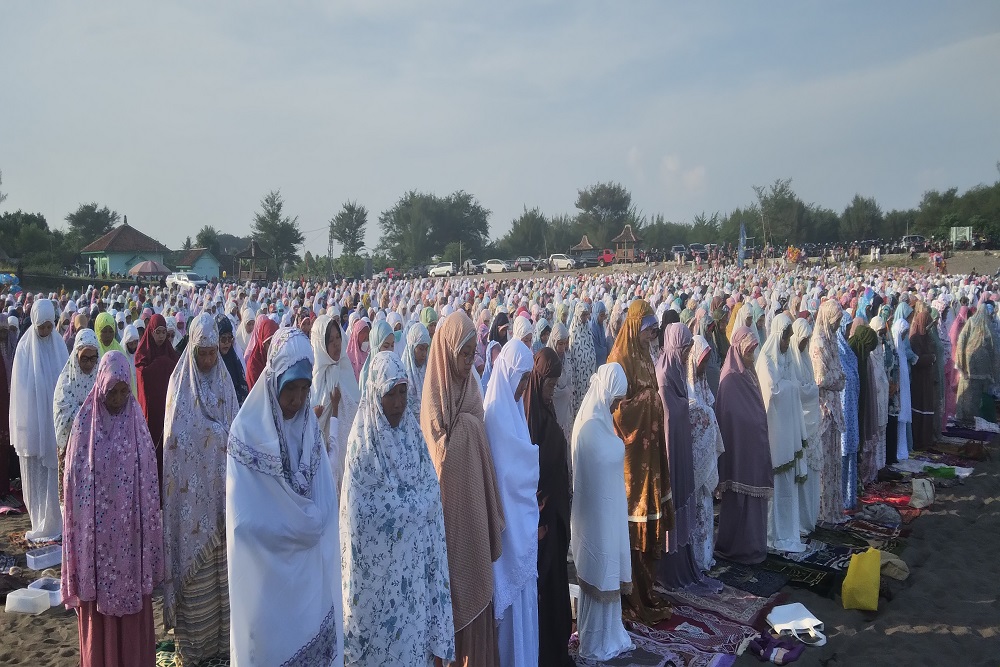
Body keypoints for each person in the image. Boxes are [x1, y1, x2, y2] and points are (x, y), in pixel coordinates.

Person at [226, 327, 344, 666]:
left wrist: (311, 522)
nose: (297, 399)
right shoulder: (246, 435)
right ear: (273, 380)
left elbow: (325, 495)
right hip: (267, 575)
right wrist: (299, 526)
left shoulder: (308, 429)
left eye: (304, 389)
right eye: (289, 388)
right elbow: (244, 520)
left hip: (307, 578)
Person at [340, 351, 454, 666]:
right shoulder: (362, 445)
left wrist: (408, 505)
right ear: (376, 393)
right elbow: (367, 512)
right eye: (391, 393)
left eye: (403, 392)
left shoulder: (412, 437)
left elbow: (432, 492)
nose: (398, 402)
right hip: (376, 586)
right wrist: (413, 505)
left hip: (412, 582)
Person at [61, 351, 164, 667]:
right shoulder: (84, 430)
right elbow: (73, 494)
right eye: (112, 392)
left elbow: (149, 490)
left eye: (124, 391)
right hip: (98, 552)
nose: (119, 399)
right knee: (101, 625)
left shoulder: (138, 428)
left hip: (130, 546)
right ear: (100, 388)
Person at [420, 311, 505, 666]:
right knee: (455, 600)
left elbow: (474, 439)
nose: (469, 362)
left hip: (473, 515)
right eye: (464, 354)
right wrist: (467, 434)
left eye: (473, 354)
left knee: (479, 597)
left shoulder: (470, 389)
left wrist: (467, 430)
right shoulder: (433, 399)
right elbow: (439, 459)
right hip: (448, 523)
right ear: (446, 352)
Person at [162, 313, 239, 666]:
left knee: (222, 584)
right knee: (196, 587)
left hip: (222, 508)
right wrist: (213, 440)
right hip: (191, 510)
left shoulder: (225, 386)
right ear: (191, 350)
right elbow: (175, 442)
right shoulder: (179, 390)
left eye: (212, 353)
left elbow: (237, 438)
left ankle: (222, 649)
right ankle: (193, 651)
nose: (208, 360)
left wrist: (221, 440)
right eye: (202, 353)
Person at [607, 299, 673, 624]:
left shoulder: (646, 357)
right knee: (634, 526)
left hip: (651, 457)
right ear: (635, 328)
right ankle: (632, 596)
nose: (652, 336)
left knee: (652, 523)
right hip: (631, 462)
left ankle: (648, 590)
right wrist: (649, 401)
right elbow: (616, 411)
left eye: (654, 331)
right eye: (648, 330)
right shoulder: (618, 361)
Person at [570, 363, 634, 662]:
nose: (617, 406)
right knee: (599, 574)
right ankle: (595, 640)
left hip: (609, 514)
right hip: (595, 518)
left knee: (609, 571)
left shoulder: (602, 421)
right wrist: (620, 445)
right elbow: (608, 454)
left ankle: (610, 633)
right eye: (616, 400)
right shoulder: (588, 427)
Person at [484, 340, 538, 667]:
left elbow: (525, 465)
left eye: (528, 379)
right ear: (507, 374)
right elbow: (505, 476)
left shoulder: (516, 413)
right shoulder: (494, 417)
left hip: (524, 527)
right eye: (522, 378)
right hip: (506, 534)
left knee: (525, 607)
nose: (524, 387)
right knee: (508, 615)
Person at [656, 322, 721, 589]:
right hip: (670, 454)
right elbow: (669, 415)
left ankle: (684, 560)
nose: (685, 356)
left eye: (687, 351)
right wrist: (693, 410)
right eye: (683, 350)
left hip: (681, 450)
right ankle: (668, 568)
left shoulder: (677, 372)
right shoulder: (663, 374)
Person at [524, 348, 574, 667]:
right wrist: (540, 512)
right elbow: (530, 470)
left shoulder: (547, 411)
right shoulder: (530, 416)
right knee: (543, 587)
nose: (552, 392)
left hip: (553, 514)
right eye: (549, 385)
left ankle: (557, 650)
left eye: (556, 386)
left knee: (556, 584)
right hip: (541, 518)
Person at [10, 299, 68, 542]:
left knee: (54, 475)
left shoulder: (59, 346)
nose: (45, 332)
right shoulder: (24, 350)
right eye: (41, 327)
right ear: (34, 324)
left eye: (48, 326)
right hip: (35, 423)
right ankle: (38, 522)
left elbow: (66, 382)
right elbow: (21, 392)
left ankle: (55, 523)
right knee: (36, 475)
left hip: (53, 424)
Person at [715, 327, 773, 564]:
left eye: (753, 351)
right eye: (748, 351)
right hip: (738, 449)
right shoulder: (729, 378)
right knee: (738, 498)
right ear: (738, 349)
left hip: (754, 445)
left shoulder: (749, 374)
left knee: (755, 499)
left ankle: (754, 546)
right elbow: (728, 416)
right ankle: (736, 547)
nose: (751, 356)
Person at [755, 314, 807, 554]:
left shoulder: (787, 359)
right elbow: (773, 392)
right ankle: (771, 535)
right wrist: (792, 387)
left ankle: (787, 531)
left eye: (789, 337)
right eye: (785, 337)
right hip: (774, 437)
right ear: (777, 335)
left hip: (789, 435)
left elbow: (793, 385)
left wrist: (792, 386)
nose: (787, 342)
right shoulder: (765, 361)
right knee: (774, 488)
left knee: (788, 488)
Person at [686, 334, 725, 571]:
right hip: (692, 462)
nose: (703, 367)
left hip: (705, 457)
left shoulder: (701, 384)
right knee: (695, 510)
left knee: (706, 508)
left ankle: (705, 555)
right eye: (701, 362)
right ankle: (694, 559)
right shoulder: (685, 385)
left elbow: (708, 406)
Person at [311, 313, 360, 491]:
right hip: (324, 465)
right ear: (320, 344)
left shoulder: (345, 369)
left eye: (338, 337)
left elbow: (356, 412)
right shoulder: (313, 379)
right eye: (330, 340)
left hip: (349, 456)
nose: (337, 344)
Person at [52, 329, 100, 503]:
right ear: (76, 356)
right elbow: (62, 415)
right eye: (84, 358)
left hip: (97, 449)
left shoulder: (100, 379)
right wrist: (87, 413)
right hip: (72, 449)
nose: (88, 364)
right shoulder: (65, 383)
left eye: (93, 358)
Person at [810, 300, 846, 524]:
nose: (837, 324)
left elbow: (839, 374)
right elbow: (820, 378)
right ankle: (822, 512)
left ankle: (833, 510)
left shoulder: (831, 340)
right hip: (823, 409)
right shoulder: (818, 342)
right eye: (835, 320)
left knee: (834, 462)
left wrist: (837, 379)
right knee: (823, 463)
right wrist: (837, 380)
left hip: (834, 407)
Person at [134, 313, 180, 490]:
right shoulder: (142, 352)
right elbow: (142, 373)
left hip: (166, 409)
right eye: (157, 332)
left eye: (163, 332)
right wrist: (161, 364)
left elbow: (177, 372)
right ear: (150, 332)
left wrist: (164, 363)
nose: (161, 336)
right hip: (151, 411)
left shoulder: (170, 352)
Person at [789, 318, 821, 534]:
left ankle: (810, 519)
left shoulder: (806, 360)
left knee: (812, 475)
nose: (804, 343)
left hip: (813, 425)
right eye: (802, 339)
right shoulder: (790, 360)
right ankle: (799, 522)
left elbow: (810, 387)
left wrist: (810, 390)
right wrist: (811, 390)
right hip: (798, 425)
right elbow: (799, 390)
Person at [954, 305, 997, 428]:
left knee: (969, 391)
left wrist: (960, 360)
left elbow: (962, 339)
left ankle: (966, 417)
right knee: (978, 393)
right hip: (983, 365)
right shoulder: (989, 326)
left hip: (969, 361)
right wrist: (994, 369)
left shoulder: (971, 321)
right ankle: (977, 418)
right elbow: (995, 348)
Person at [908, 308, 938, 449]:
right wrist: (931, 358)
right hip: (919, 379)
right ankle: (919, 440)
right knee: (919, 407)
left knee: (927, 406)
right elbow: (917, 360)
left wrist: (932, 358)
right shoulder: (915, 338)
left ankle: (926, 439)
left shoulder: (927, 338)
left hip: (927, 378)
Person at [892, 302, 917, 461]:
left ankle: (904, 450)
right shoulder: (894, 350)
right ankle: (899, 451)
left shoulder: (900, 349)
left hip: (904, 391)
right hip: (897, 392)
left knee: (903, 423)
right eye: (902, 334)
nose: (904, 337)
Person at [547, 322, 575, 445]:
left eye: (565, 343)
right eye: (560, 344)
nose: (562, 347)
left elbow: (570, 381)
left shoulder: (566, 358)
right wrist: (565, 392)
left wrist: (568, 391)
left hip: (566, 413)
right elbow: (551, 390)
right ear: (554, 342)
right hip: (553, 413)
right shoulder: (548, 361)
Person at [568, 302, 596, 417]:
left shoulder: (588, 331)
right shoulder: (573, 334)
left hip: (588, 377)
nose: (585, 318)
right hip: (578, 380)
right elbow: (571, 358)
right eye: (583, 315)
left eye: (586, 315)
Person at [401, 322, 431, 422]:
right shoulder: (402, 373)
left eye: (426, 349)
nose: (424, 354)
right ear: (412, 347)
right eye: (421, 349)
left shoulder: (428, 372)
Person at [216, 315, 249, 405]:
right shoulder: (212, 363)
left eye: (229, 338)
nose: (227, 342)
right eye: (223, 339)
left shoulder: (234, 361)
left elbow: (242, 389)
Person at [244, 316, 279, 391]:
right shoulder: (253, 365)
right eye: (269, 343)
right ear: (263, 343)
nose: (272, 347)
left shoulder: (279, 359)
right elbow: (255, 394)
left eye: (275, 343)